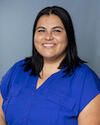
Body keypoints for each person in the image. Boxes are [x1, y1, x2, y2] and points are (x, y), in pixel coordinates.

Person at [0, 6, 100, 125]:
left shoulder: (86, 81)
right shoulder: (17, 70)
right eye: (41, 30)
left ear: (69, 36)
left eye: (57, 30)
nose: (48, 37)